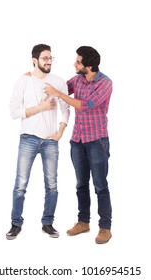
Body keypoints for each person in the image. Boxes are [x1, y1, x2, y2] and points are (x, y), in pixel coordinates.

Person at [44, 46, 112, 244]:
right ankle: (83, 222)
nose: (74, 64)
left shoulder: (105, 83)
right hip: (77, 140)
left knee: (100, 186)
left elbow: (85, 105)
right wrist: (35, 78)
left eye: (78, 62)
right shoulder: (78, 79)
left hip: (97, 141)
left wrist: (57, 92)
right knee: (81, 184)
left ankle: (105, 227)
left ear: (89, 66)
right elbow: (64, 87)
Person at [6, 44, 70, 240]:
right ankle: (16, 224)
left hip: (51, 140)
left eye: (51, 58)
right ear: (35, 60)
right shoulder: (23, 81)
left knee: (52, 185)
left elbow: (65, 108)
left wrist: (60, 132)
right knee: (21, 184)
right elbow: (14, 113)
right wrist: (40, 107)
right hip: (28, 138)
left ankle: (48, 223)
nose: (49, 61)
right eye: (45, 58)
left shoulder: (58, 81)